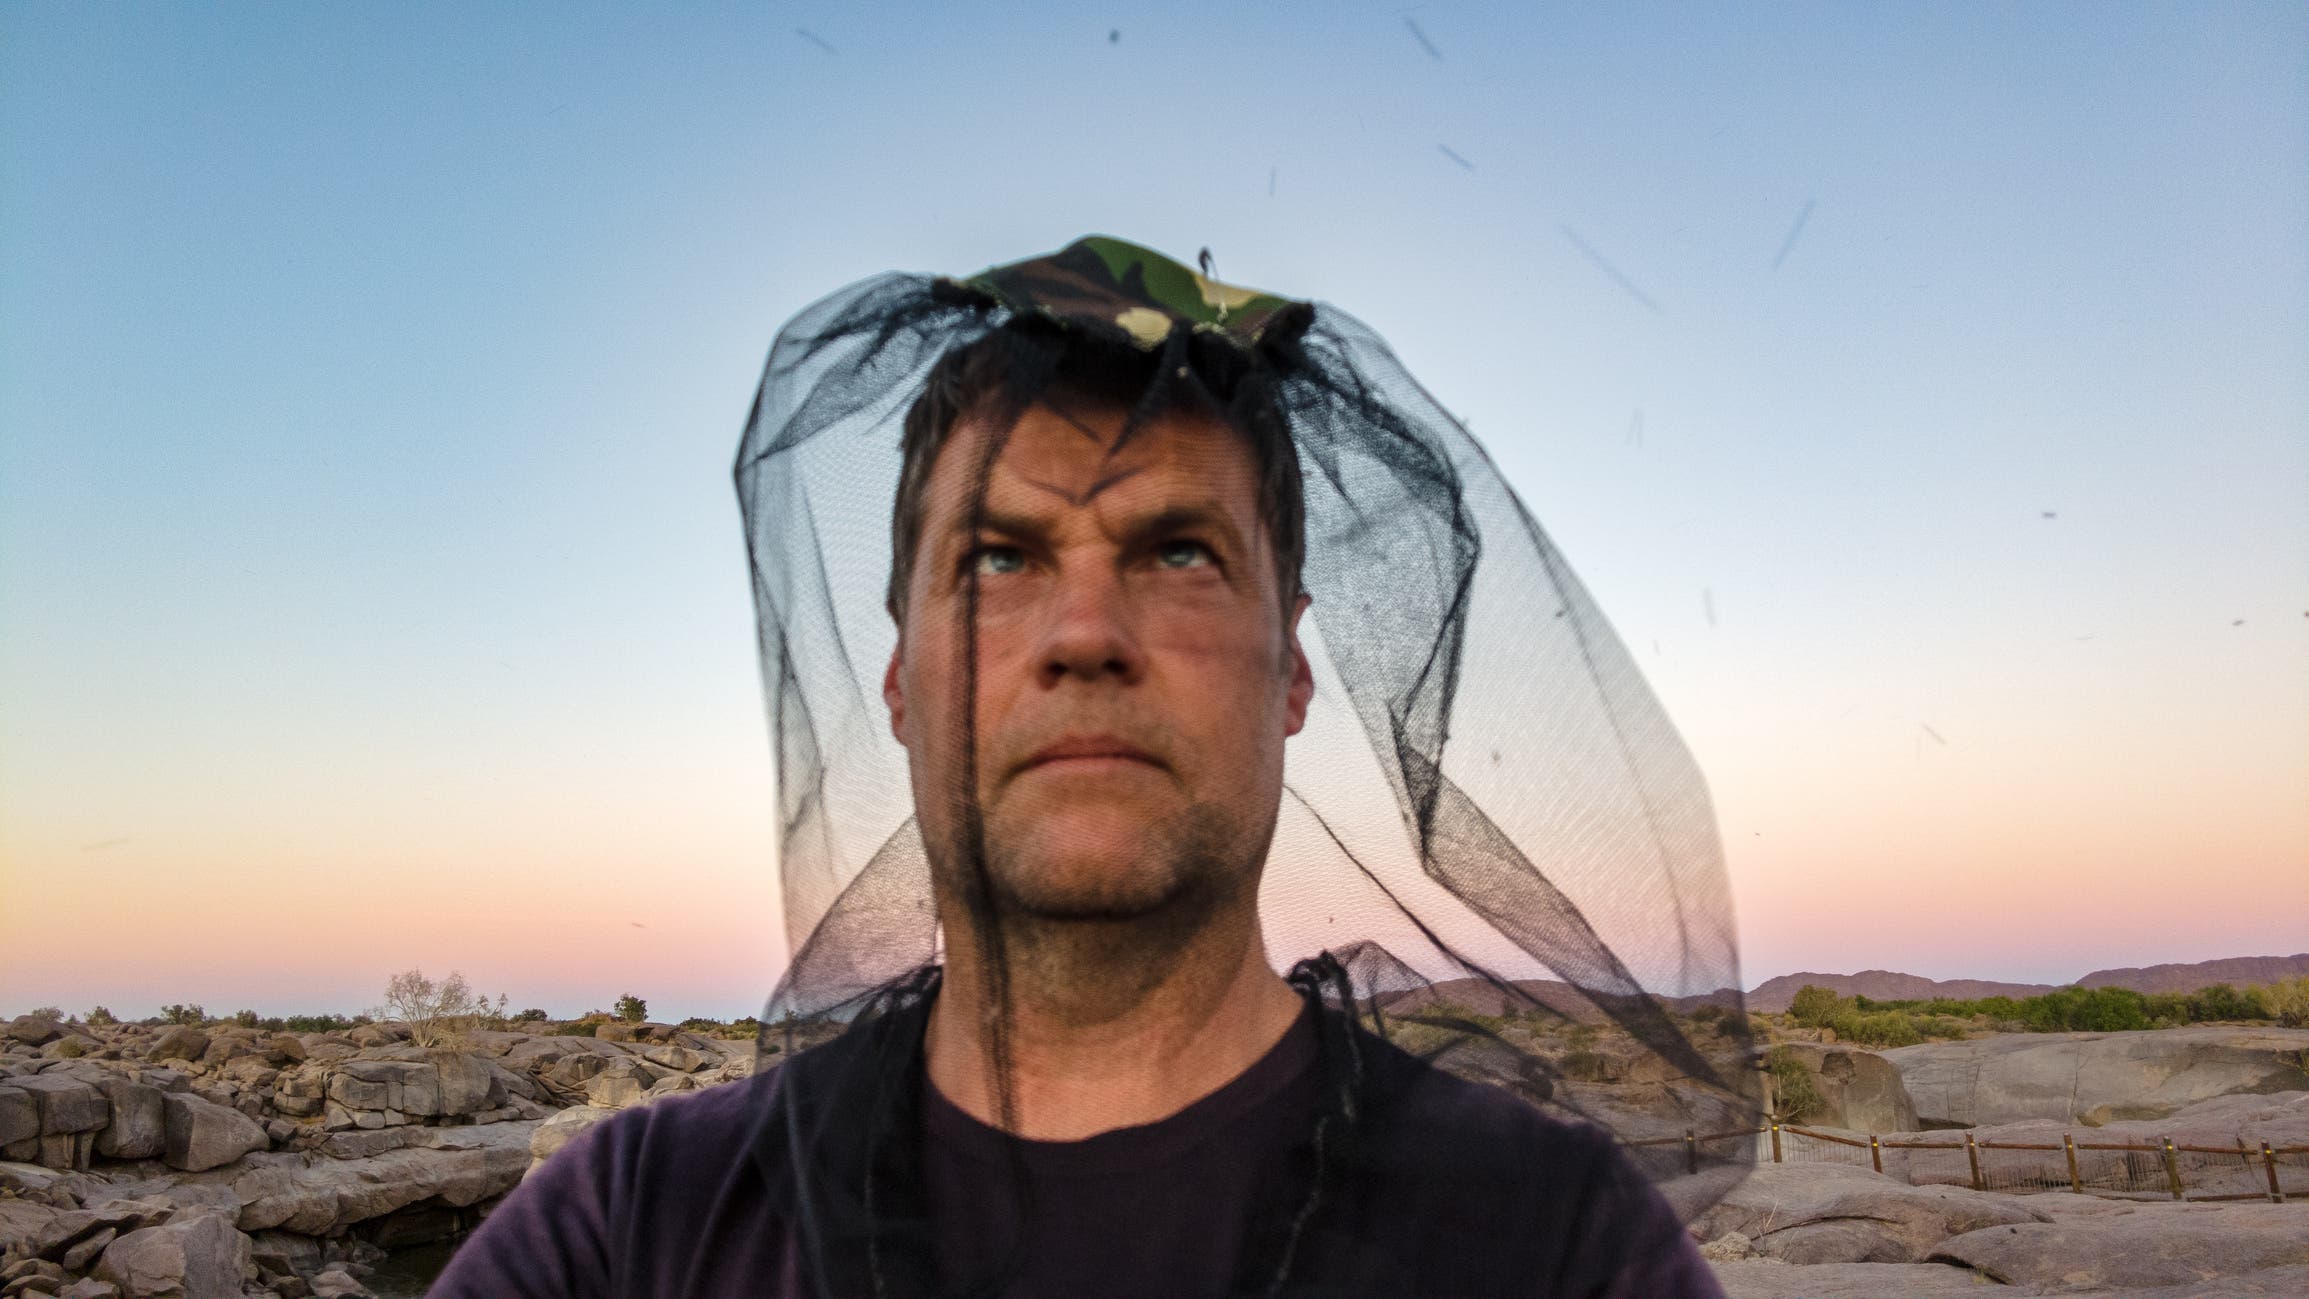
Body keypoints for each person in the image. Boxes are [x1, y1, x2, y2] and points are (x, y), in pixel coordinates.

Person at [432, 238, 1749, 1298]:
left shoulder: (1552, 1241)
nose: (1082, 638)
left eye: (1177, 553)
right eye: (997, 561)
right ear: (900, 681)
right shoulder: (632, 1227)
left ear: (1291, 674)